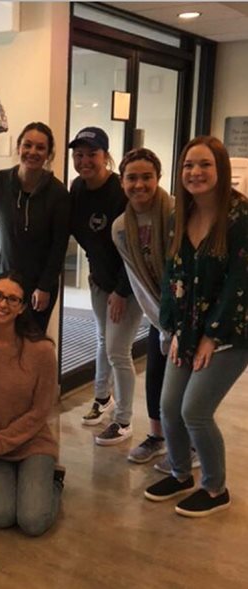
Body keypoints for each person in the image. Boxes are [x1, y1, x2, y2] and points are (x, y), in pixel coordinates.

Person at [144, 136, 248, 517]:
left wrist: (211, 336)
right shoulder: (179, 215)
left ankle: (215, 487)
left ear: (219, 170)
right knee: (169, 406)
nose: (195, 172)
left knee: (195, 411)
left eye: (204, 165)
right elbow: (173, 276)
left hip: (231, 332)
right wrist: (170, 330)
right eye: (188, 165)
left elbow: (240, 282)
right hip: (185, 329)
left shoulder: (240, 217)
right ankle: (179, 473)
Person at [0, 271, 63, 536]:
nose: (2, 304)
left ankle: (54, 484)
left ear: (23, 307)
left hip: (31, 442)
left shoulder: (43, 350)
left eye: (13, 300)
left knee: (32, 522)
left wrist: (1, 441)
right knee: (0, 516)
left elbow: (40, 412)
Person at [68, 127, 143, 445]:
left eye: (92, 154)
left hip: (128, 284)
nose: (84, 161)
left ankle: (124, 420)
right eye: (79, 154)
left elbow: (135, 249)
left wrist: (121, 291)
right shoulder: (77, 188)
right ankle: (102, 398)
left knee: (118, 351)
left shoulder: (119, 192)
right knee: (102, 339)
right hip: (99, 279)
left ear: (106, 156)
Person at [112, 149, 177, 465]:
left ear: (158, 178)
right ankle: (157, 438)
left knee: (185, 383)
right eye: (131, 178)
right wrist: (162, 322)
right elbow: (137, 280)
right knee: (155, 374)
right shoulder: (120, 227)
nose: (139, 184)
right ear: (122, 182)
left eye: (146, 177)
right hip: (158, 310)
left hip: (190, 310)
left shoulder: (179, 211)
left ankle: (187, 445)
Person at [0, 122, 71, 332]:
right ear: (18, 147)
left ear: (48, 153)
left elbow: (59, 246)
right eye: (27, 145)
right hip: (3, 279)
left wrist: (45, 287)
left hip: (38, 286)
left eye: (40, 147)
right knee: (0, 338)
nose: (32, 152)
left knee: (31, 343)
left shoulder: (58, 193)